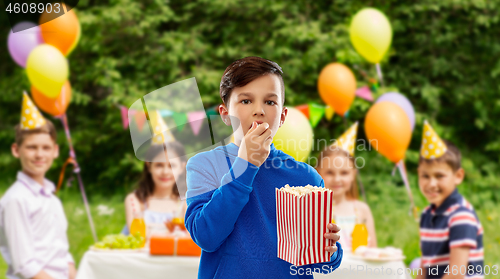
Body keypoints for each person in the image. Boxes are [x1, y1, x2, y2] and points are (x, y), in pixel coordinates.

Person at [185, 56, 342, 278]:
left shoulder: (306, 178)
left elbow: (317, 265)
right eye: (246, 101)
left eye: (270, 102)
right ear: (225, 114)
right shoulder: (203, 165)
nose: (259, 110)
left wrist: (330, 252)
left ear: (283, 115)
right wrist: (245, 166)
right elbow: (206, 236)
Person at [0, 93, 76, 279]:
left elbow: (61, 249)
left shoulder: (51, 197)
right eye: (31, 147)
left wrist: (71, 269)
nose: (39, 154)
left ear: (55, 151)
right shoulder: (17, 199)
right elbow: (25, 265)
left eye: (46, 148)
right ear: (16, 150)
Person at [416, 121, 483, 279]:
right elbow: (425, 266)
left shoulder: (461, 216)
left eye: (439, 176)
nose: (431, 184)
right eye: (425, 176)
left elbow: (457, 273)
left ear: (458, 176)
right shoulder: (427, 214)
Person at [315, 122, 377, 251]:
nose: (337, 179)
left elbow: (373, 251)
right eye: (330, 172)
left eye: (344, 173)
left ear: (353, 175)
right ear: (318, 173)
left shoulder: (362, 210)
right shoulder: (315, 210)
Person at [123, 141, 188, 236]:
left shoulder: (186, 202)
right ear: (149, 166)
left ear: (182, 167)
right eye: (159, 165)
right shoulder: (135, 200)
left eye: (171, 166)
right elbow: (137, 234)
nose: (165, 171)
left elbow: (192, 237)